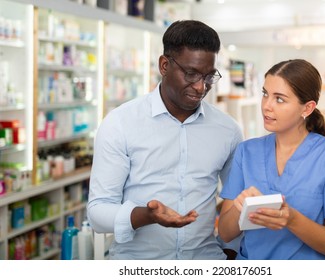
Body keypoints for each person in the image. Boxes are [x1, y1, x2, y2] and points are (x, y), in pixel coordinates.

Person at [87, 20, 243, 260]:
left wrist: (231, 253)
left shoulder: (227, 129)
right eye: (191, 74)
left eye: (209, 77)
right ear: (164, 65)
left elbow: (236, 202)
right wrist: (145, 216)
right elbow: (98, 213)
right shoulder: (121, 123)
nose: (201, 87)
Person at [218, 59, 325, 260]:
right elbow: (225, 234)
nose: (266, 106)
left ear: (307, 108)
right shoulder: (246, 151)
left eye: (279, 99)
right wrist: (239, 208)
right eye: (265, 94)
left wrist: (291, 219)